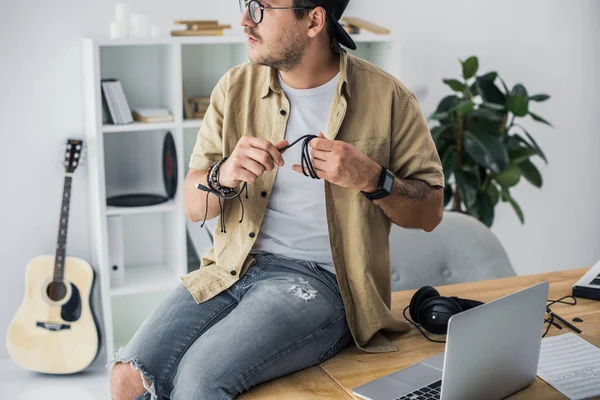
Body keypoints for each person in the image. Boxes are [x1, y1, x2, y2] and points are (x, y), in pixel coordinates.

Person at [109, 0, 445, 398]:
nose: (244, 20)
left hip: (322, 283)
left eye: (261, 7)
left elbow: (430, 212)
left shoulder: (388, 97)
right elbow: (192, 204)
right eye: (246, 4)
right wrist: (224, 174)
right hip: (230, 267)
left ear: (314, 20)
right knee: (127, 375)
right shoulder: (234, 87)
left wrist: (373, 178)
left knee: (198, 380)